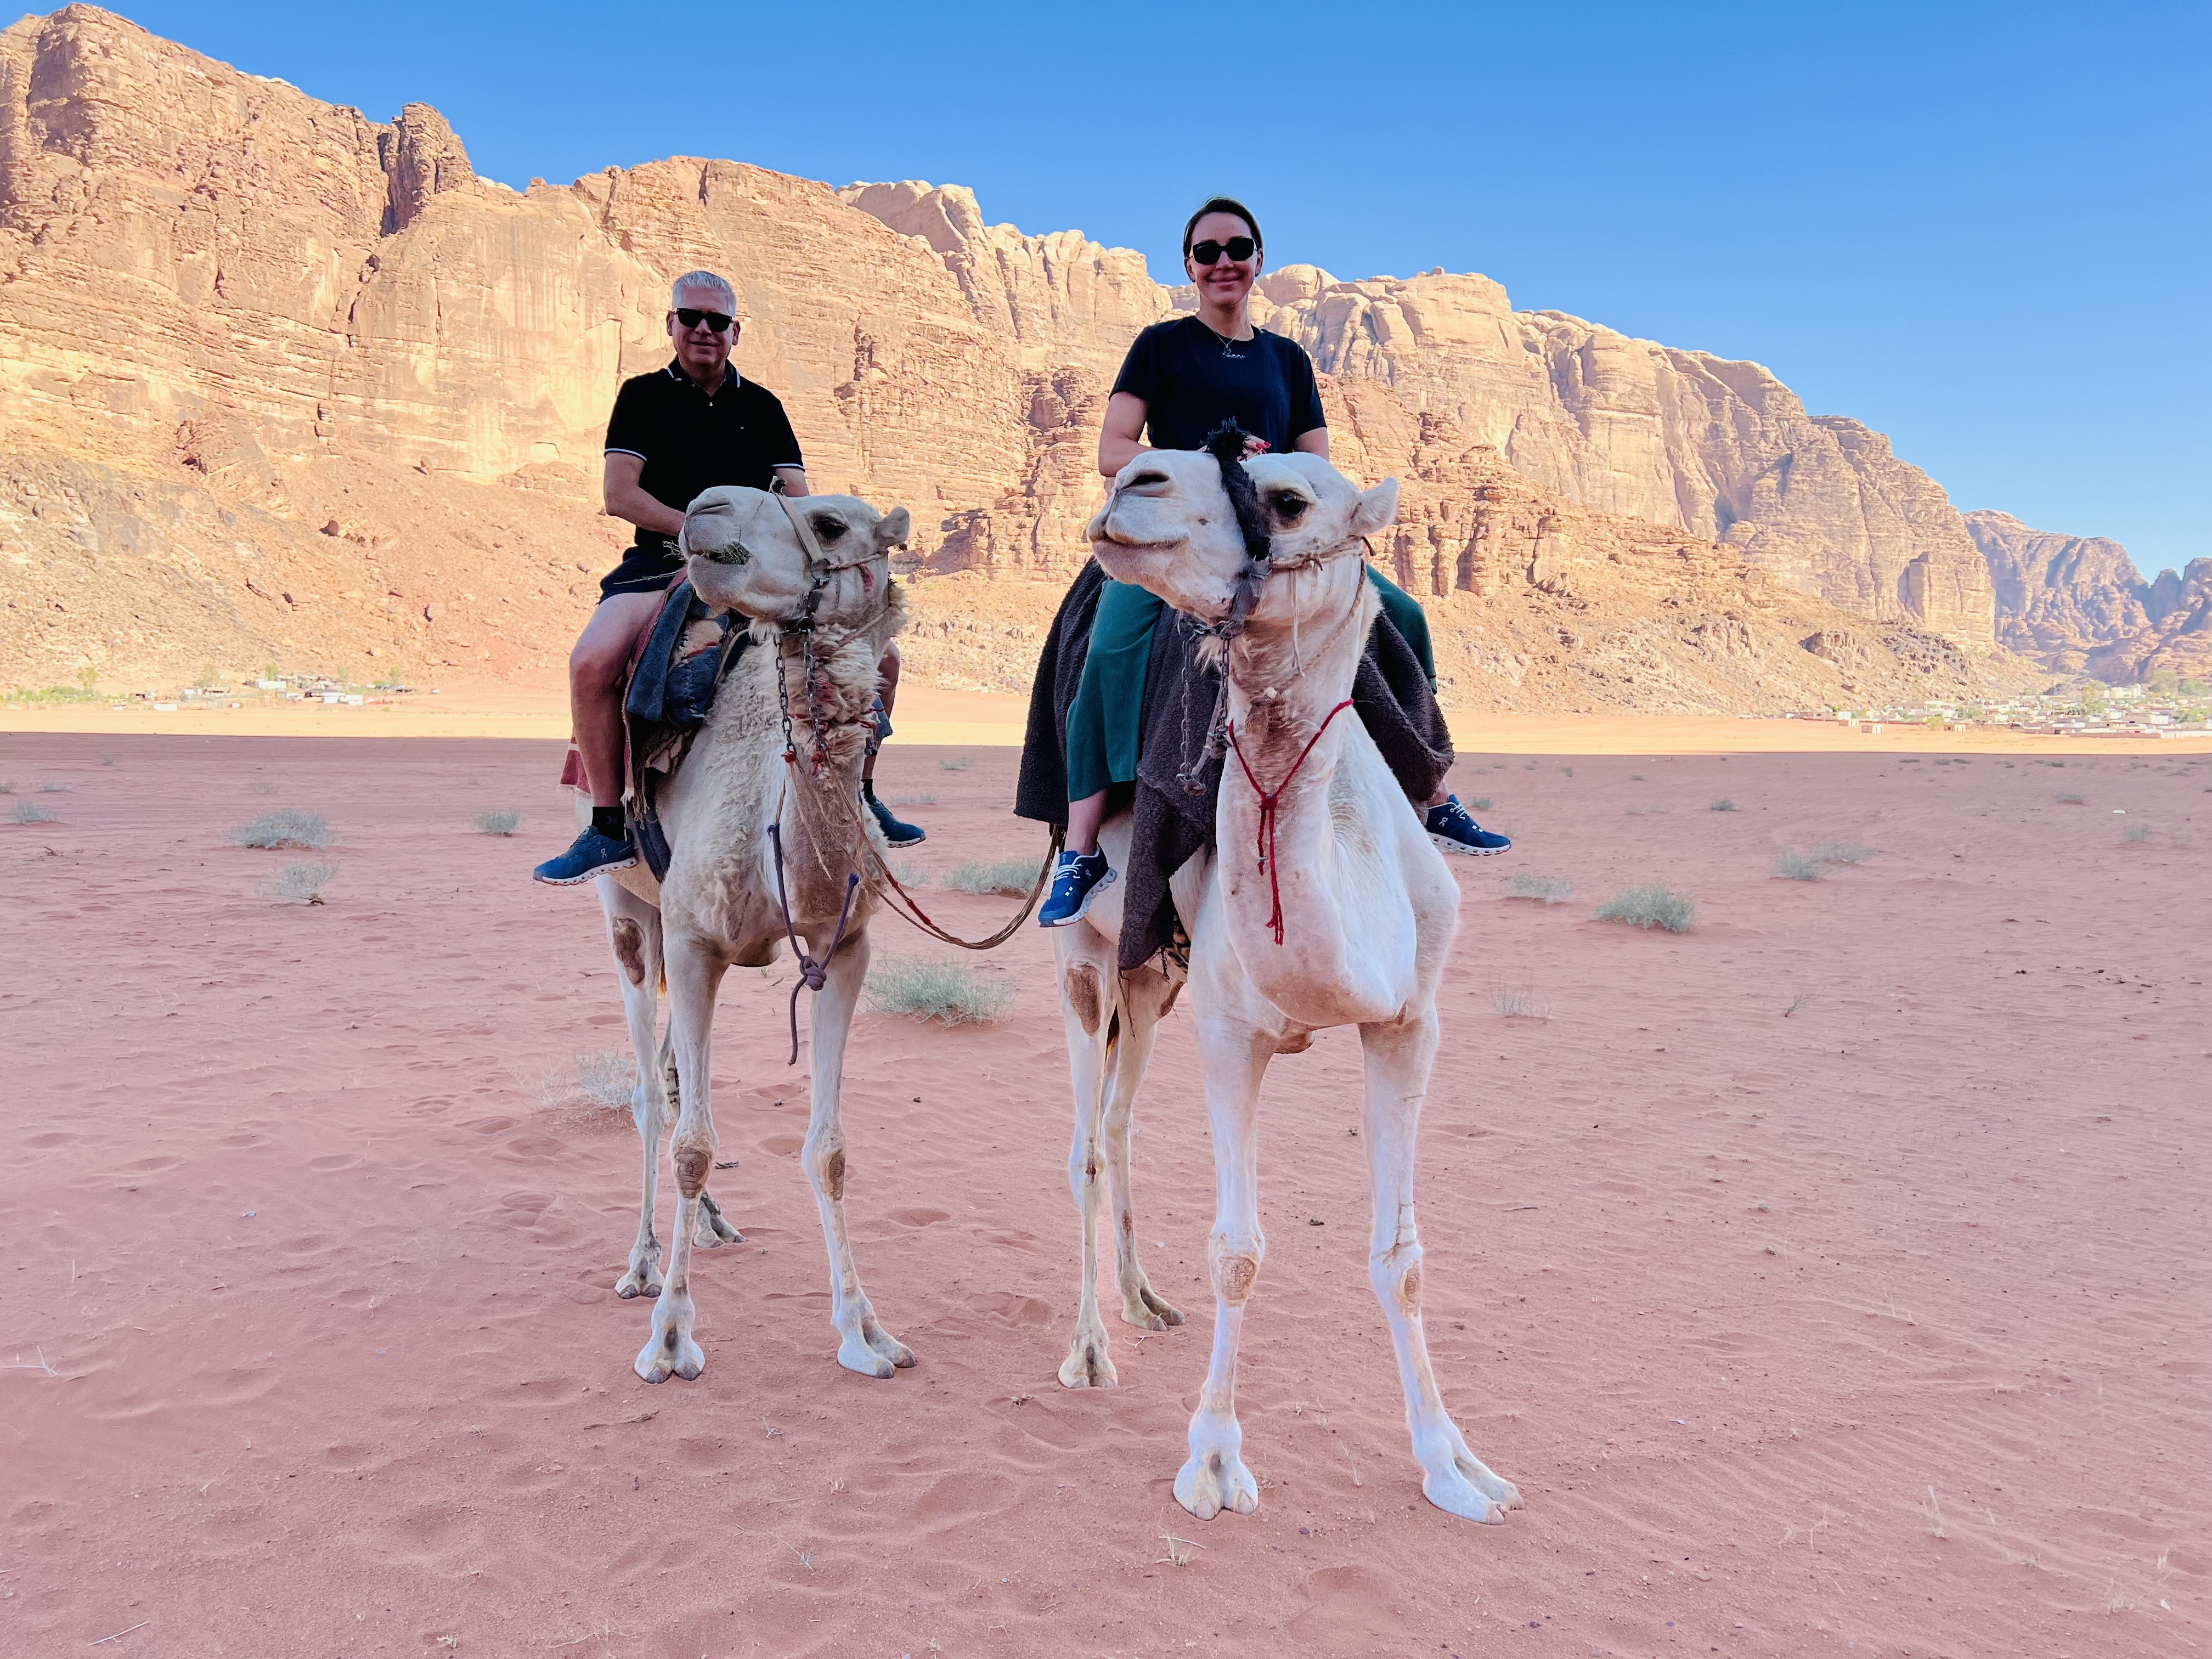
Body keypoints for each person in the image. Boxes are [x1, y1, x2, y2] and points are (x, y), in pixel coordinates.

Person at [1036, 199, 1508, 927]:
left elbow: (1316, 464)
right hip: (1184, 532)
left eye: (1238, 247)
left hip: (1274, 531)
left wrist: (1273, 464)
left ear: (1258, 258)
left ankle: (1426, 794)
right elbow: (1113, 450)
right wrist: (1205, 459)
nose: (1224, 261)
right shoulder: (1160, 347)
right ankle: (1085, 847)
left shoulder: (1287, 359)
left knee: (1400, 615)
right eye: (1207, 251)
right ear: (1189, 266)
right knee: (1108, 652)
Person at [534, 272, 923, 885]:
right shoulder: (642, 397)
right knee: (592, 662)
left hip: (758, 573)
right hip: (660, 563)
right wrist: (700, 539)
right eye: (691, 317)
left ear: (736, 331)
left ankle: (865, 791)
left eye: (718, 322)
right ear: (671, 324)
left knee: (882, 658)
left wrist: (762, 554)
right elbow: (620, 495)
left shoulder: (763, 407)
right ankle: (607, 825)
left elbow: (797, 499)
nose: (704, 331)